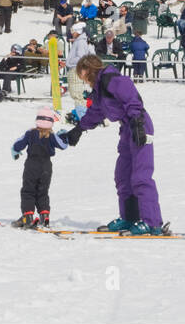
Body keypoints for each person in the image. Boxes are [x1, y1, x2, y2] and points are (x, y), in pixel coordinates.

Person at [64, 55, 166, 235]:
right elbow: (95, 113)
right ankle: (129, 218)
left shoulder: (111, 79)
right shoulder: (99, 91)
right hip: (126, 129)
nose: (85, 82)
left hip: (139, 125)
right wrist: (79, 129)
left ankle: (152, 223)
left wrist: (136, 122)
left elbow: (132, 96)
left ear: (88, 69)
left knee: (141, 176)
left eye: (84, 77)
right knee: (123, 175)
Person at [10, 107, 69, 228]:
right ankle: (44, 216)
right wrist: (63, 135)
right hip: (46, 166)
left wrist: (15, 151)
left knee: (28, 191)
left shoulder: (30, 133)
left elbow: (17, 145)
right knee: (43, 192)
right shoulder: (52, 136)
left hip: (31, 165)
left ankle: (28, 216)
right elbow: (63, 145)